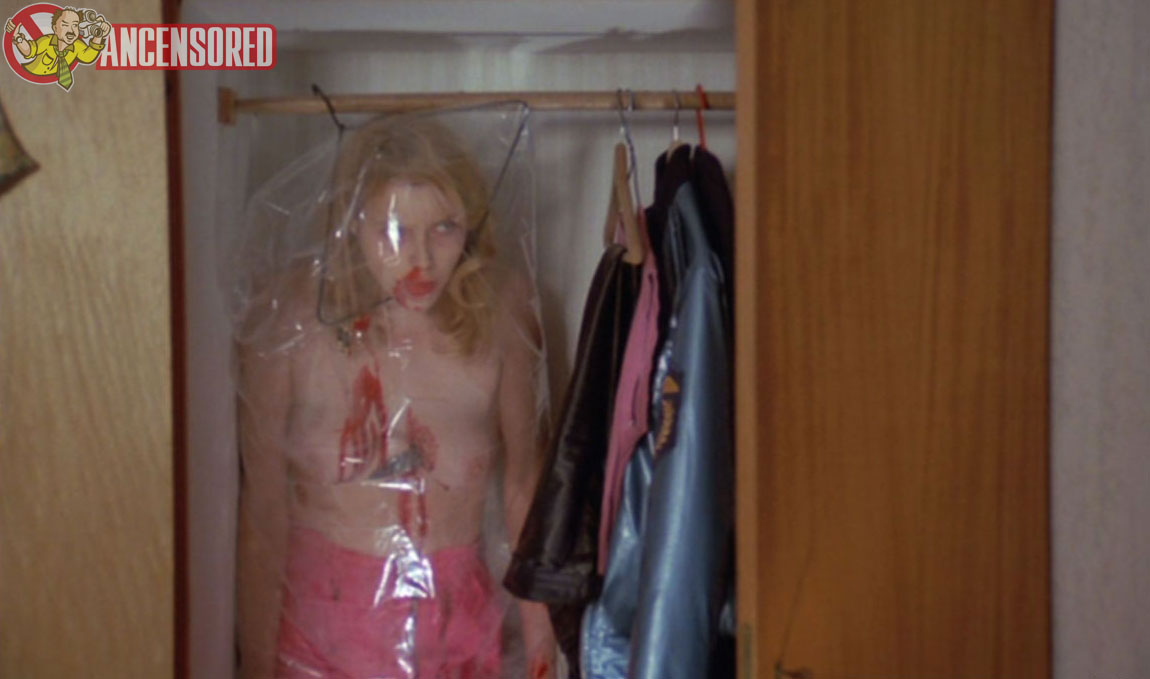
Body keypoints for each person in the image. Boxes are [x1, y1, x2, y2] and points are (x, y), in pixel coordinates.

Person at [236, 114, 556, 679]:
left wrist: (542, 656)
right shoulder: (294, 315)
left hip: (457, 622)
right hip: (322, 621)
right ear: (352, 225)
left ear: (471, 225)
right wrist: (258, 665)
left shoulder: (501, 311)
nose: (420, 260)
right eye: (395, 231)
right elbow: (262, 507)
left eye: (444, 228)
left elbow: (524, 492)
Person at [5, 7, 109, 90]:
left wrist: (99, 35)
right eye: (65, 25)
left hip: (52, 90)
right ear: (55, 28)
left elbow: (88, 56)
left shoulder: (77, 46)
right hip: (28, 80)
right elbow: (29, 51)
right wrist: (17, 38)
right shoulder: (47, 41)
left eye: (75, 26)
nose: (71, 30)